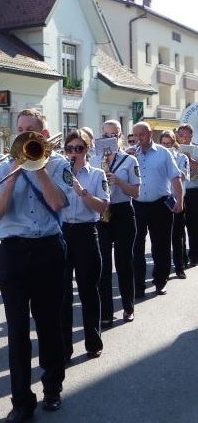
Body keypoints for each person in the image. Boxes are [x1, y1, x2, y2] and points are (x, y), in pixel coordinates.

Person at [0, 108, 72, 422]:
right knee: (17, 329)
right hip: (13, 251)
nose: (24, 135)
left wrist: (39, 168)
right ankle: (21, 400)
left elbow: (58, 203)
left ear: (44, 135)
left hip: (49, 248)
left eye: (30, 130)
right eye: (20, 129)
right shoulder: (1, 168)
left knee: (49, 323)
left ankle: (52, 387)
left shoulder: (59, 164)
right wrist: (12, 176)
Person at [60, 129, 109, 361]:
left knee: (88, 290)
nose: (73, 153)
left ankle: (93, 341)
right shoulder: (59, 173)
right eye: (69, 149)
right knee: (63, 294)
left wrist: (81, 191)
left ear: (87, 149)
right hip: (62, 233)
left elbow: (102, 207)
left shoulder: (97, 174)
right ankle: (64, 347)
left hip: (87, 233)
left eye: (78, 148)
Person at [90, 120, 140, 325]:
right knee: (103, 265)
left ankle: (128, 307)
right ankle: (106, 313)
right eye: (106, 135)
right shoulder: (94, 160)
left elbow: (136, 192)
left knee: (123, 262)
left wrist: (118, 182)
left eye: (114, 135)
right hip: (102, 213)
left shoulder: (129, 160)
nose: (110, 139)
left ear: (120, 136)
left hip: (122, 211)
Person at [132, 122, 183, 297]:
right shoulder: (130, 155)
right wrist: (127, 157)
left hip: (160, 204)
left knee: (161, 246)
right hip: (137, 204)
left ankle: (160, 282)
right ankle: (138, 285)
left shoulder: (163, 153)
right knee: (136, 247)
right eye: (135, 135)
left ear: (150, 133)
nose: (138, 138)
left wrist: (180, 200)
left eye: (142, 134)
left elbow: (175, 177)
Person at [159, 130, 189, 279]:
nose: (166, 146)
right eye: (163, 144)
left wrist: (171, 164)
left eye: (169, 144)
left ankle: (180, 266)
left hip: (176, 198)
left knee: (178, 235)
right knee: (162, 237)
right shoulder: (157, 157)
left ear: (174, 143)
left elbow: (182, 176)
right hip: (163, 199)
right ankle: (162, 270)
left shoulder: (181, 157)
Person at [176, 124, 198, 266]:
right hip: (177, 191)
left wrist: (190, 160)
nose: (183, 138)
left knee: (193, 225)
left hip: (193, 191)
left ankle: (194, 255)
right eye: (181, 135)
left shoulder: (196, 149)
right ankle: (181, 257)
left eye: (186, 135)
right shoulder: (173, 150)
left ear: (191, 135)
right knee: (178, 227)